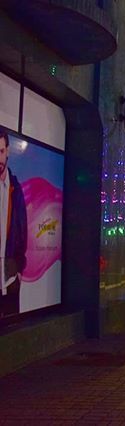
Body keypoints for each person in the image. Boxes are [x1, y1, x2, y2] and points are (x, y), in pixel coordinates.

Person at [0, 131, 27, 318]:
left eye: (0, 151)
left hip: (9, 278)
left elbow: (22, 231)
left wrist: (18, 268)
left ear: (7, 151)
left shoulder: (15, 189)